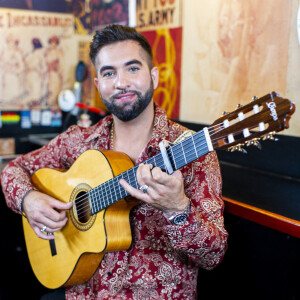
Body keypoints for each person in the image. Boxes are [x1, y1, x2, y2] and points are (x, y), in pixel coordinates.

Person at [1, 25, 228, 299]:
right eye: (109, 73)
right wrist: (29, 200)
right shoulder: (77, 141)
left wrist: (177, 208)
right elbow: (14, 169)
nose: (121, 82)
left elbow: (213, 255)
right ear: (98, 84)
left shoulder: (193, 150)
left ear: (153, 76)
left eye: (133, 69)